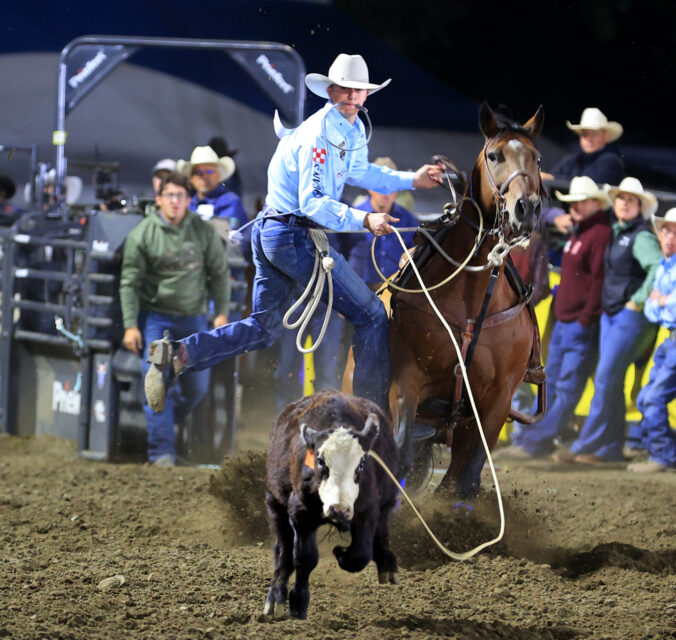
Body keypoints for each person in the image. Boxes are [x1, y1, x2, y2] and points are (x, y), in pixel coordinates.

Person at [143, 53, 443, 414]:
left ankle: (180, 353)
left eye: (358, 90)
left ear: (365, 95)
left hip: (276, 232)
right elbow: (314, 203)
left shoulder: (348, 130)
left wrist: (413, 179)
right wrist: (365, 220)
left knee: (265, 328)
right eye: (346, 90)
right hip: (292, 236)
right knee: (372, 315)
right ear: (332, 91)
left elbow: (361, 172)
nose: (352, 96)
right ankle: (370, 418)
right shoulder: (319, 134)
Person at [120, 173, 230, 466]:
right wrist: (131, 325)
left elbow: (219, 273)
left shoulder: (202, 231)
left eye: (181, 196)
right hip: (157, 320)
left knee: (197, 387)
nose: (175, 202)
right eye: (170, 196)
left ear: (188, 200)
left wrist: (221, 312)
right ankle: (162, 453)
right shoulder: (143, 233)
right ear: (159, 199)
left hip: (194, 320)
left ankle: (166, 424)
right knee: (155, 384)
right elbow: (130, 281)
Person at [554, 176, 661, 464]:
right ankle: (609, 449)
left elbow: (656, 268)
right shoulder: (619, 231)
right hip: (614, 315)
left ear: (640, 206)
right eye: (621, 199)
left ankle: (584, 445)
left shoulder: (641, 236)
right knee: (611, 382)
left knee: (605, 379)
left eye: (630, 200)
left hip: (628, 316)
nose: (624, 204)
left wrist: (636, 300)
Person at [513, 176, 611, 456]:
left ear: (595, 203)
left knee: (564, 387)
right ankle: (530, 440)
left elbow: (598, 280)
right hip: (567, 322)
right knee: (552, 384)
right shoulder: (583, 232)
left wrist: (586, 318)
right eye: (574, 202)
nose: (577, 207)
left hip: (578, 323)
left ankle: (533, 442)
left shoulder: (599, 234)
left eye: (582, 202)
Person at [626, 208, 676, 472]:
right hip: (675, 339)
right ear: (659, 236)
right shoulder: (666, 266)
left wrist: (661, 301)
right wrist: (663, 302)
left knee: (653, 398)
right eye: (666, 231)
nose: (670, 237)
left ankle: (663, 457)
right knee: (646, 398)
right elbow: (654, 310)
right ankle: (658, 453)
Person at [540, 107, 626, 234]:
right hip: (572, 224)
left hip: (597, 228)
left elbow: (588, 187)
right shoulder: (571, 160)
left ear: (605, 136)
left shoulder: (612, 162)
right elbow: (549, 184)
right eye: (585, 134)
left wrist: (552, 180)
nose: (588, 138)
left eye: (594, 134)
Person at [348, 156, 418, 288]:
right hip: (357, 291)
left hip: (394, 291)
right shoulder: (353, 217)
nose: (386, 192)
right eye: (380, 185)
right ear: (369, 187)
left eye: (391, 186)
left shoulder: (408, 220)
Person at [178, 145, 252, 263]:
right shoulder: (188, 205)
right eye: (199, 172)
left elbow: (235, 242)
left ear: (218, 175)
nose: (204, 176)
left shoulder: (231, 201)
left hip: (226, 271)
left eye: (210, 171)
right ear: (191, 178)